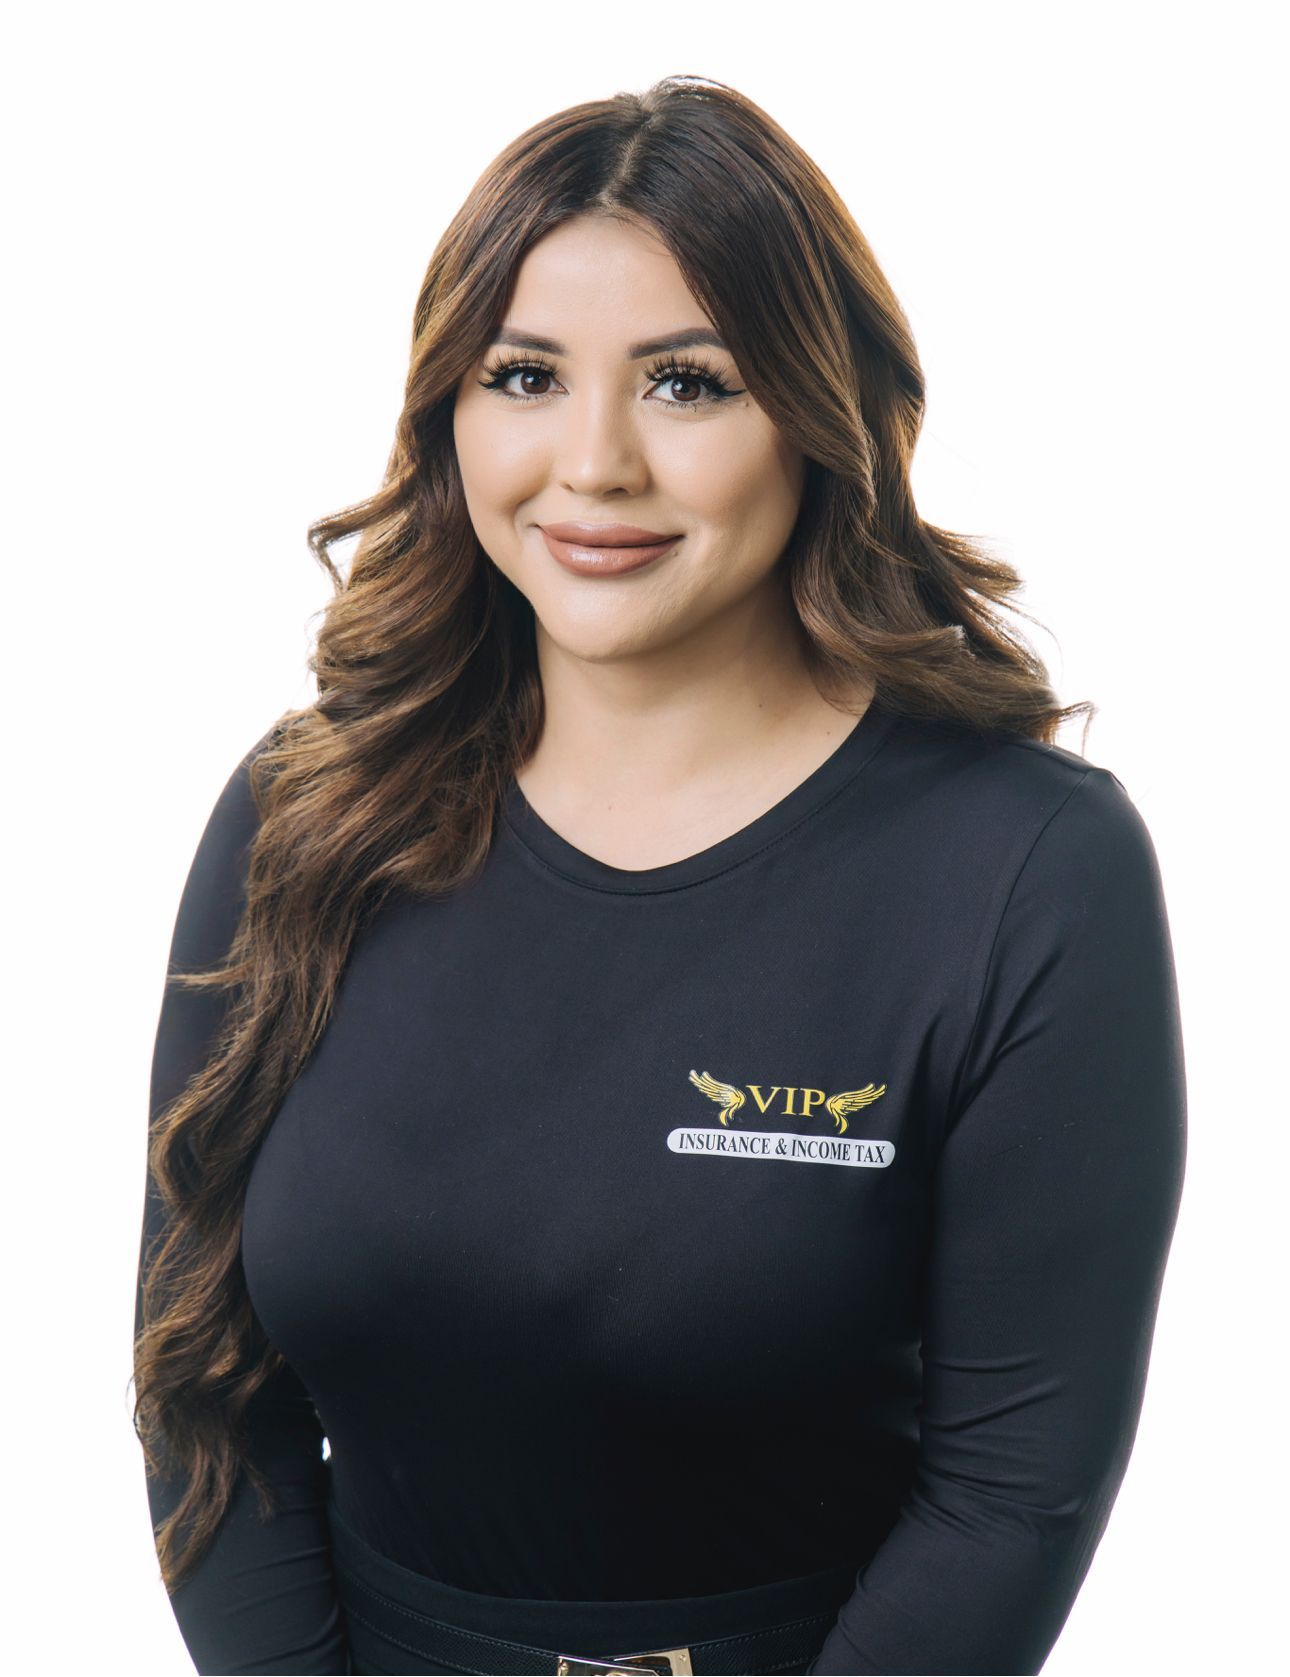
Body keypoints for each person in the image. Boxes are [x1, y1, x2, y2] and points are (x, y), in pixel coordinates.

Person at [132, 73, 1187, 1677]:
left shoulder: (1026, 868)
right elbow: (203, 1382)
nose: (594, 462)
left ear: (818, 412)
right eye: (526, 377)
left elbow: (1010, 1496)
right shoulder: (302, 816)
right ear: (450, 414)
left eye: (687, 382)